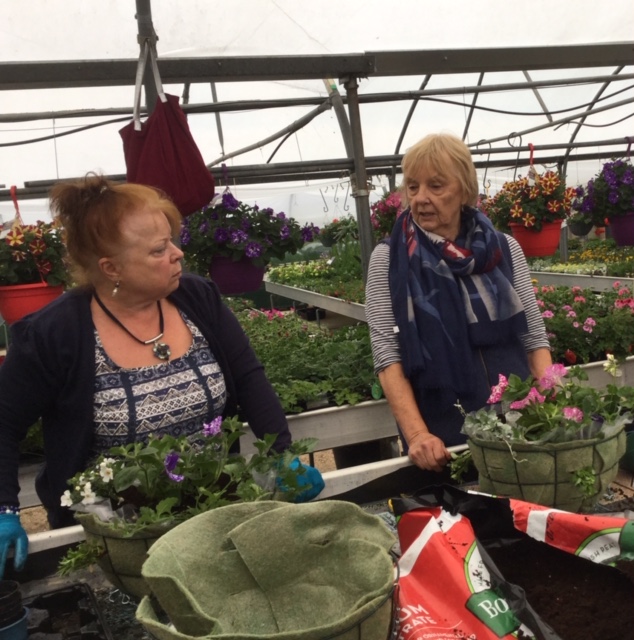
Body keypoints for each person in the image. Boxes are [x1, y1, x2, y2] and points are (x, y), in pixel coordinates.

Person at [0, 174, 323, 577]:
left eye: (172, 240)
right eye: (159, 249)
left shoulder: (197, 297)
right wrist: (5, 509)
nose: (178, 255)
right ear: (111, 267)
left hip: (213, 514)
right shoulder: (54, 334)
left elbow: (249, 377)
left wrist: (283, 454)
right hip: (117, 542)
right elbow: (5, 423)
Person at [365, 133, 552, 473]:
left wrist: (556, 403)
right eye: (412, 187)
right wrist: (419, 435)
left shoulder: (503, 248)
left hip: (521, 426)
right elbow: (387, 354)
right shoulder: (389, 259)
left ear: (464, 190)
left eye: (435, 186)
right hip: (443, 438)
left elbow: (534, 336)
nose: (420, 198)